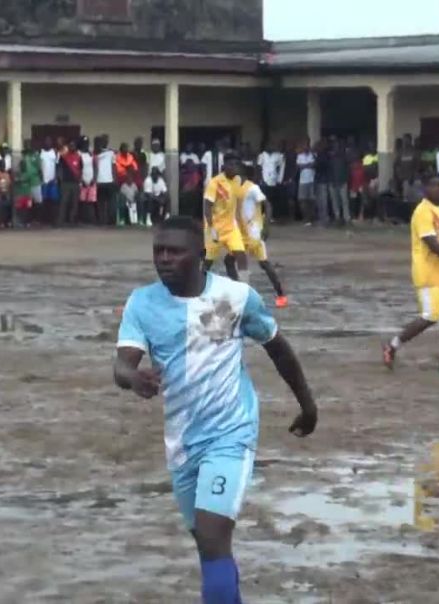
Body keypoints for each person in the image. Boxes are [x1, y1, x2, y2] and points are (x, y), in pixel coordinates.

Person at [113, 216, 317, 604]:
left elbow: (277, 346)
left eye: (176, 251)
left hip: (231, 434)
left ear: (202, 255)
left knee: (212, 536)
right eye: (159, 251)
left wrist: (308, 405)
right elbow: (122, 363)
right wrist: (131, 376)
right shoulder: (142, 303)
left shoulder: (235, 298)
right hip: (182, 443)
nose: (165, 259)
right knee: (208, 545)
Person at [382, 174, 439, 373]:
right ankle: (392, 345)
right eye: (435, 185)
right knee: (429, 317)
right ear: (425, 188)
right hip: (427, 273)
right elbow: (433, 245)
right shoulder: (423, 211)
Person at [236, 167, 288, 308]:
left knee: (263, 263)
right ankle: (241, 293)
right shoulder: (233, 188)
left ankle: (281, 294)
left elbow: (267, 205)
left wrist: (266, 226)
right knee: (233, 260)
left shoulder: (252, 188)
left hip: (253, 232)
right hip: (239, 232)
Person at [203, 153, 249, 282]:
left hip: (230, 228)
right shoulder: (215, 182)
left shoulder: (238, 180)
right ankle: (197, 287)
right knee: (208, 262)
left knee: (241, 255)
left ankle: (244, 286)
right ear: (224, 166)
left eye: (236, 165)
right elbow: (207, 206)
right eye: (231, 164)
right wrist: (211, 228)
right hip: (215, 228)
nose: (234, 167)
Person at [256, 142, 285, 220]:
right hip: (264, 180)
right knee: (264, 199)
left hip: (274, 180)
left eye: (272, 145)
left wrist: (280, 179)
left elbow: (281, 168)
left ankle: (272, 216)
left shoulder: (278, 156)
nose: (270, 147)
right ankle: (264, 216)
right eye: (268, 146)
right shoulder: (262, 155)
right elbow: (259, 168)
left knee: (273, 199)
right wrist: (260, 179)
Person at [296, 140, 316, 226]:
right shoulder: (299, 156)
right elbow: (299, 167)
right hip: (303, 181)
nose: (306, 147)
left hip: (312, 180)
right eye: (304, 145)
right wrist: (308, 165)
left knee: (312, 200)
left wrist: (305, 166)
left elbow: (314, 165)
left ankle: (311, 218)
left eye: (307, 145)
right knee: (302, 200)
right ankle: (306, 218)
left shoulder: (313, 155)